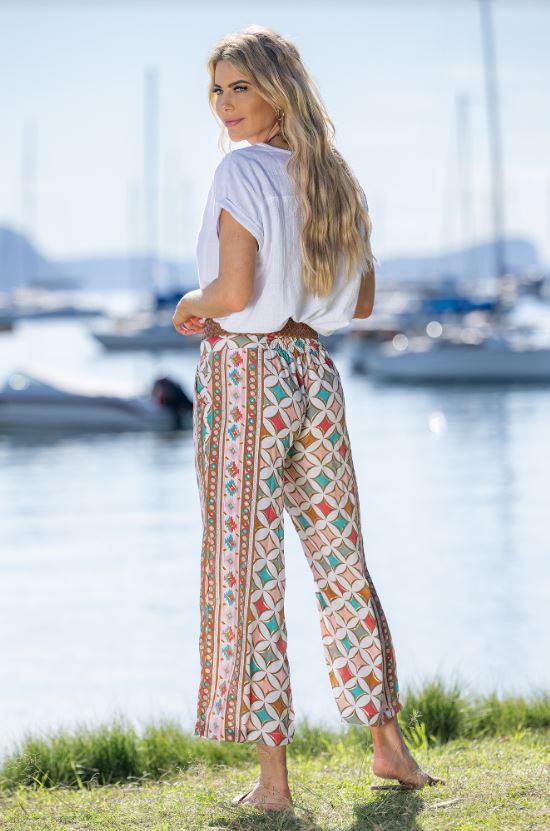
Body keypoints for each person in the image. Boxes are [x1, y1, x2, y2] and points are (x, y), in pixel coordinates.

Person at [172, 24, 444, 815]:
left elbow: (231, 293)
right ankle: (388, 745)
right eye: (217, 89)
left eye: (239, 86)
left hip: (246, 373)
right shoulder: (333, 174)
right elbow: (360, 302)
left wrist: (189, 303)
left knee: (246, 566)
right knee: (340, 557)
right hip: (312, 370)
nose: (224, 103)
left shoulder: (240, 171)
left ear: (276, 88)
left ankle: (274, 781)